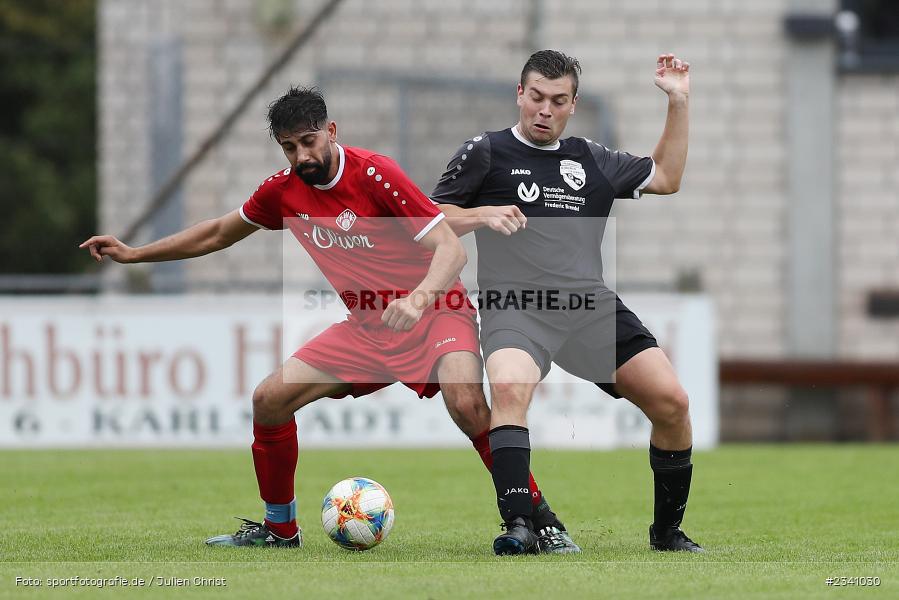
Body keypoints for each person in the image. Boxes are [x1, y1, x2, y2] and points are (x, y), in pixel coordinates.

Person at [80, 86, 578, 553]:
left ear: (331, 131)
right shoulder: (283, 191)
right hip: (367, 330)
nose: (302, 157)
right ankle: (279, 529)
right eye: (289, 147)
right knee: (269, 401)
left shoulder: (376, 174)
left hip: (437, 312)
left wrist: (417, 301)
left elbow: (449, 249)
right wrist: (135, 253)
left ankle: (541, 519)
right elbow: (216, 233)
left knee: (466, 402)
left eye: (310, 142)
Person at [432, 50, 702, 554]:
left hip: (588, 310)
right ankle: (519, 525)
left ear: (572, 104)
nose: (544, 110)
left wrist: (679, 102)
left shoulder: (591, 159)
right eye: (535, 97)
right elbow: (429, 217)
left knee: (674, 404)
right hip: (517, 307)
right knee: (510, 388)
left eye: (557, 101)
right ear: (520, 94)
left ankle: (667, 534)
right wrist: (482, 215)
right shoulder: (484, 151)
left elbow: (667, 177)